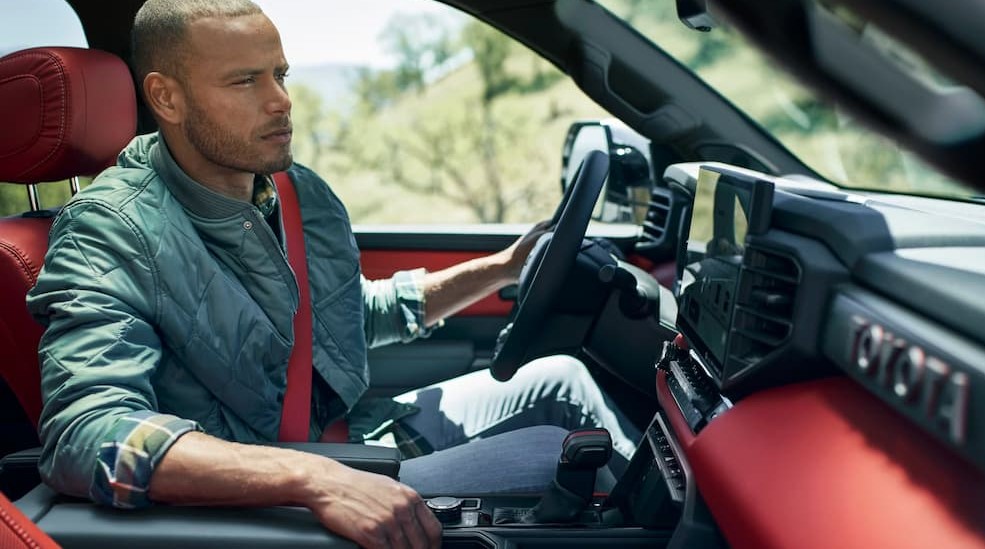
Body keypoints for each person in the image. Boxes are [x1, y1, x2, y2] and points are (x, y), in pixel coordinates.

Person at [26, 1, 639, 547]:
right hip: (272, 495)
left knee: (561, 379)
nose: (281, 101)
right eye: (245, 81)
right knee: (555, 460)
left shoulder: (292, 195)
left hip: (346, 437)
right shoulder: (107, 231)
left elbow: (340, 317)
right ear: (167, 98)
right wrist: (315, 478)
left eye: (280, 75)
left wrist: (502, 269)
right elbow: (88, 432)